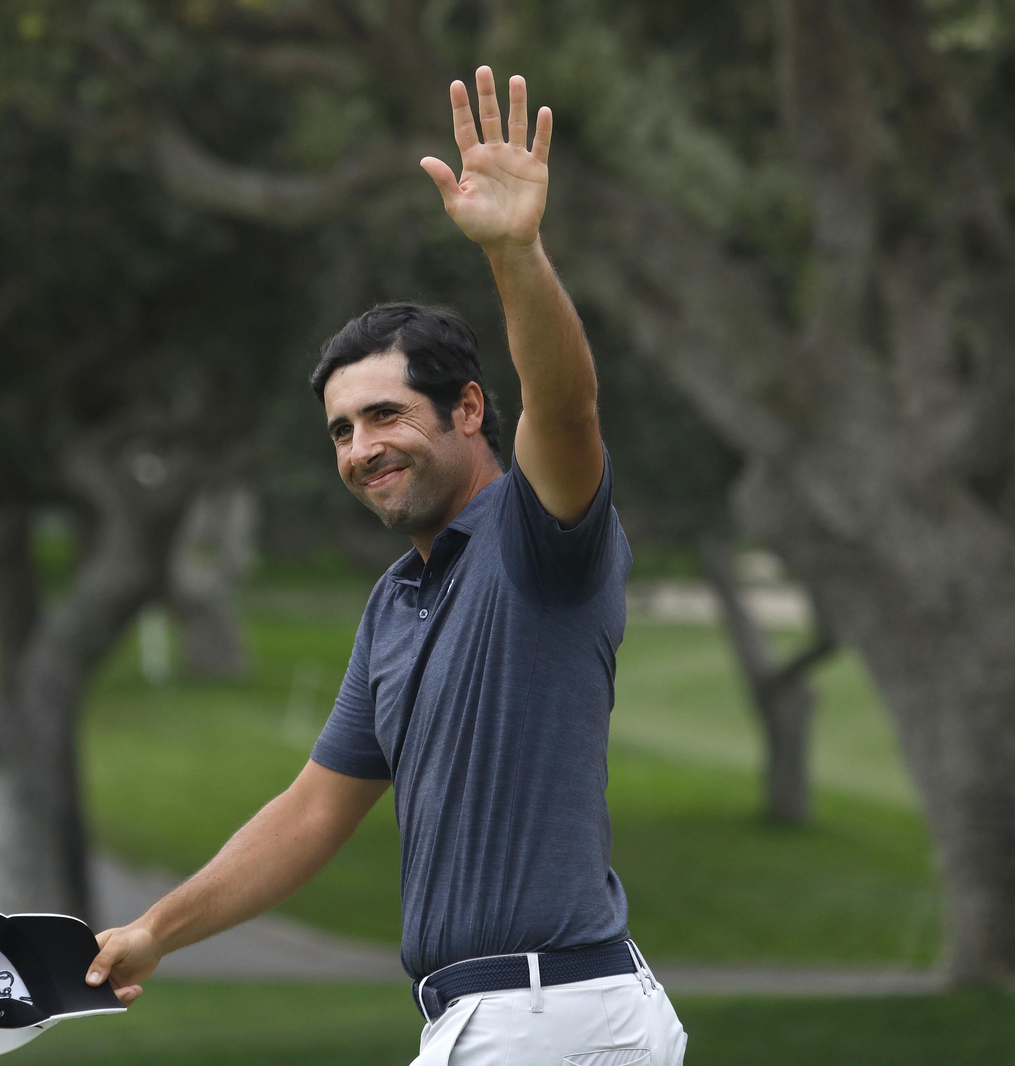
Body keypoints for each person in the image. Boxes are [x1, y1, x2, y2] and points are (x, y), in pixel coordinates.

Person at [86, 66, 688, 1065]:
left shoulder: (537, 540)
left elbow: (568, 409)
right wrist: (159, 929)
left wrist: (514, 252)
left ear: (466, 411)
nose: (360, 448)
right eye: (340, 429)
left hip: (547, 1015)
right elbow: (312, 810)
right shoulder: (396, 602)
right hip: (501, 1018)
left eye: (384, 415)